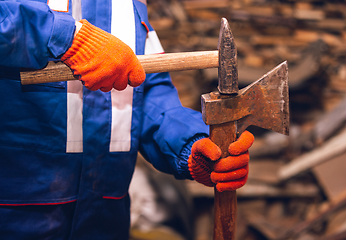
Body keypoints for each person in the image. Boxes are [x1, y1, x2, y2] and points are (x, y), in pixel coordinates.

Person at [0, 0, 254, 239]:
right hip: (14, 216)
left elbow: (148, 89)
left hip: (105, 219)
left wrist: (191, 145)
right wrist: (65, 36)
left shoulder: (133, 3)